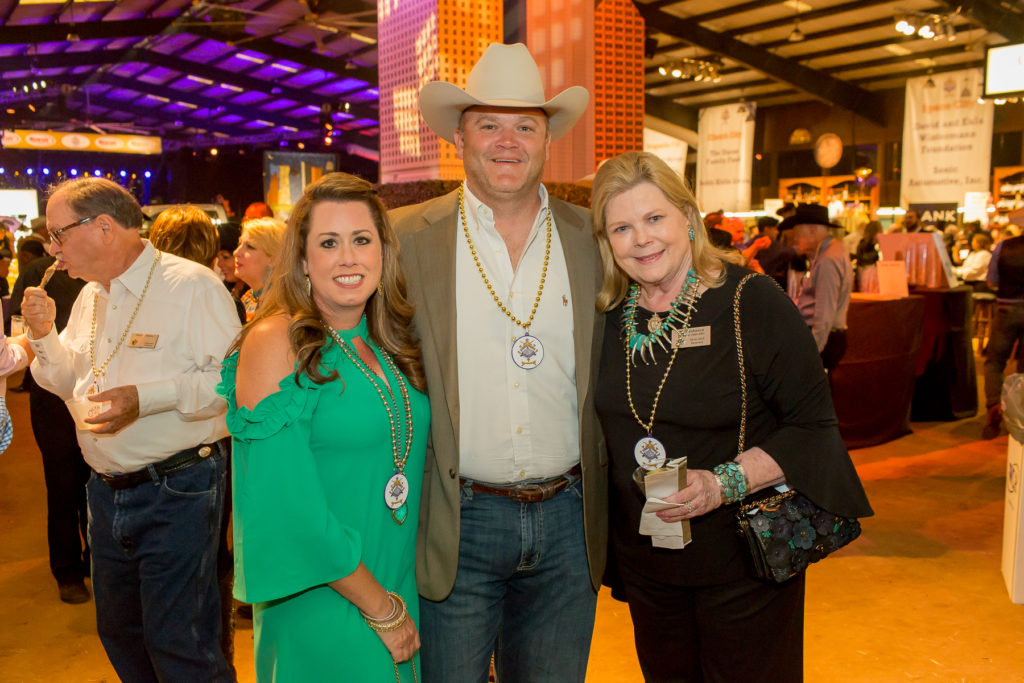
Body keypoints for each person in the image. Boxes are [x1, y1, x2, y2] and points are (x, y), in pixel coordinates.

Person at [591, 151, 873, 682]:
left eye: (655, 219)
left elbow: (814, 426)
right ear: (606, 242)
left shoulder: (750, 301)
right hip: (650, 562)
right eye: (622, 227)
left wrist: (723, 482)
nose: (642, 239)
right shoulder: (605, 316)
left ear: (688, 217)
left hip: (744, 558)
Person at [389, 42, 606, 682]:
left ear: (547, 139)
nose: (506, 141)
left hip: (570, 521)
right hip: (457, 520)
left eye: (524, 126)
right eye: (489, 124)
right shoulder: (403, 238)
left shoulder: (594, 237)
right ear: (459, 136)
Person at [20, 177, 239, 681]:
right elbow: (64, 379)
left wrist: (146, 400)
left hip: (178, 487)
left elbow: (231, 384)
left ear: (102, 227)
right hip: (105, 490)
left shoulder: (190, 286)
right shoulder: (92, 297)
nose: (52, 248)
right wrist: (42, 334)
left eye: (57, 234)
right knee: (120, 633)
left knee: (179, 644)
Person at [219, 172, 429, 681]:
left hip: (393, 581)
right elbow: (287, 509)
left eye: (362, 240)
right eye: (328, 243)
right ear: (303, 259)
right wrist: (381, 607)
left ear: (383, 251)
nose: (349, 258)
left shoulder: (388, 339)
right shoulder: (277, 342)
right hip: (325, 595)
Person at [146, 202, 239, 668]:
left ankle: (215, 657)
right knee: (209, 565)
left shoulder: (205, 293)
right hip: (213, 446)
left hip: (202, 451)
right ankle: (218, 651)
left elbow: (226, 382)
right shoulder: (216, 291)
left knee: (197, 575)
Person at [11, 249, 89, 603]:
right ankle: (67, 569)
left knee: (99, 479)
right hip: (51, 394)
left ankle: (96, 560)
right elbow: (16, 326)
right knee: (62, 482)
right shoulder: (37, 272)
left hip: (96, 388)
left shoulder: (102, 271)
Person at [778, 203, 853, 372]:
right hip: (827, 336)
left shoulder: (827, 259)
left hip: (824, 339)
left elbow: (824, 312)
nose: (796, 239)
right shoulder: (830, 252)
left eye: (799, 234)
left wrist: (811, 352)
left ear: (813, 230)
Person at [983, 208, 1024, 439]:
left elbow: (991, 281)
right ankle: (1019, 413)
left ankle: (993, 406)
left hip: (1006, 308)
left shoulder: (1004, 247)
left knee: (995, 361)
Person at [234, 217, 286, 321]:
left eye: (250, 247)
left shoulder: (283, 307)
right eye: (240, 244)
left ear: (274, 259)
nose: (236, 252)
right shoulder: (249, 297)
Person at [855, 220, 883, 293]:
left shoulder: (862, 243)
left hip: (864, 276)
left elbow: (859, 262)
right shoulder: (879, 246)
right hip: (875, 277)